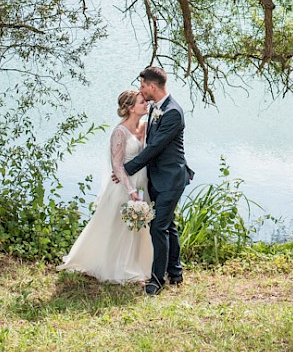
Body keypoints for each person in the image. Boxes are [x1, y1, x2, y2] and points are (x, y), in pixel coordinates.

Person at [58, 90, 152, 284]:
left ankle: (140, 264)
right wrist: (131, 191)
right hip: (124, 186)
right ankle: (119, 267)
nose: (147, 104)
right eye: (142, 102)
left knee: (140, 227)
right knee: (120, 227)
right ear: (131, 108)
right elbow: (116, 166)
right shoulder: (119, 132)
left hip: (142, 182)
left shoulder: (145, 126)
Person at [119, 66, 193, 296]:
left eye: (143, 86)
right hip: (157, 177)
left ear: (152, 86)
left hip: (171, 178)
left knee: (158, 227)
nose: (141, 90)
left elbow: (155, 147)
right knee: (168, 225)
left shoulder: (172, 112)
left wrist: (126, 169)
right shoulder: (155, 108)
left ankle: (157, 281)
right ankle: (175, 272)